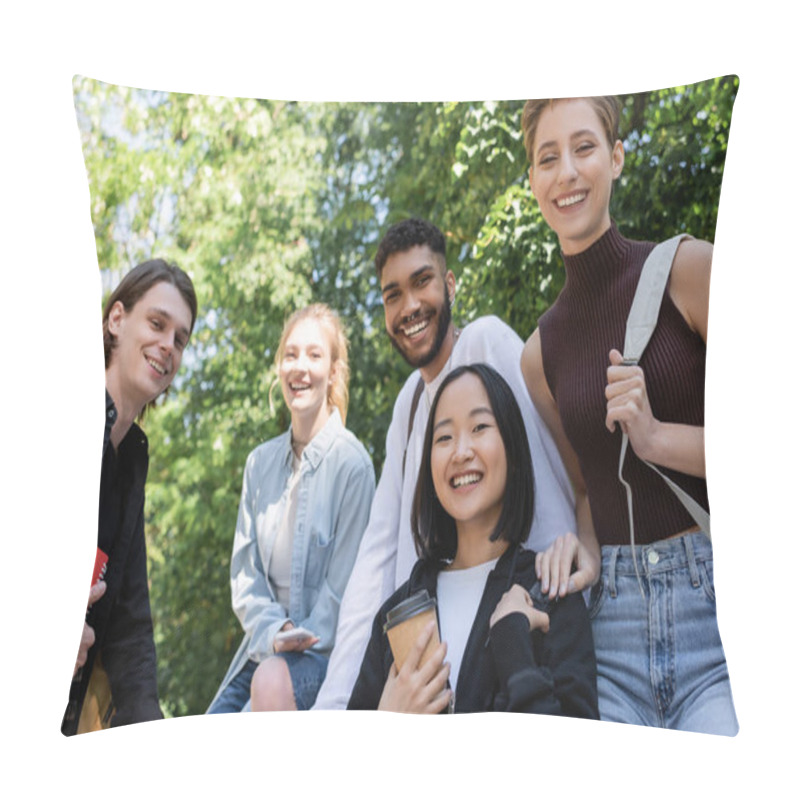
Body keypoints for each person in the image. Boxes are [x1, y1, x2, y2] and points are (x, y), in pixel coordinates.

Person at [519, 96, 737, 734]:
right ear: (532, 180)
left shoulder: (691, 272)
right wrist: (584, 552)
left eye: (584, 147)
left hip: (717, 611)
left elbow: (777, 440)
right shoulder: (540, 356)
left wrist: (657, 437)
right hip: (609, 632)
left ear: (616, 157)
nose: (567, 172)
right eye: (547, 157)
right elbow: (588, 490)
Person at [312, 217, 576, 710]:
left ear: (450, 284)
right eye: (393, 295)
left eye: (422, 282)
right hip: (424, 658)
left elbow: (543, 477)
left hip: (509, 632)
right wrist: (334, 709)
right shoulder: (410, 403)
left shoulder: (486, 344)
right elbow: (377, 557)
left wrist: (556, 601)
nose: (409, 306)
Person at [348, 364, 598, 716]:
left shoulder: (550, 596)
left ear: (512, 447)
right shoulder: (396, 611)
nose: (460, 451)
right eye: (444, 437)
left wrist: (514, 646)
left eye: (480, 427)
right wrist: (388, 718)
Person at [207, 303, 375, 714]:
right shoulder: (259, 465)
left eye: (315, 355)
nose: (300, 367)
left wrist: (299, 638)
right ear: (280, 368)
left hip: (323, 659)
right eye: (290, 355)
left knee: (269, 684)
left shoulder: (353, 467)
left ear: (333, 371)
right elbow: (246, 579)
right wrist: (276, 632)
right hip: (262, 652)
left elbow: (345, 593)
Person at [62, 258, 198, 735]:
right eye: (157, 324)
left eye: (180, 339)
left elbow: (130, 630)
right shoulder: (55, 413)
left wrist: (151, 747)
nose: (168, 346)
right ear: (115, 320)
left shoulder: (132, 459)